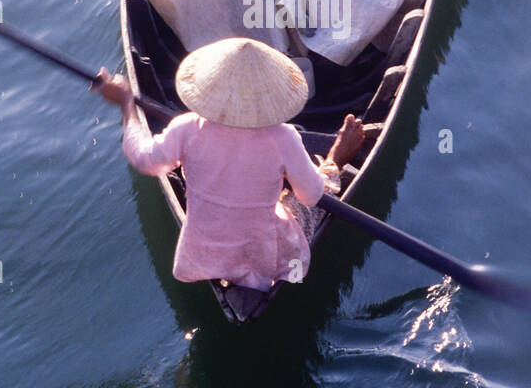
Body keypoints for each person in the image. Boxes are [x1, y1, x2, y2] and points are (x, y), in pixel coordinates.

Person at [95, 37, 365, 292]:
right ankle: (334, 160)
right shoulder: (283, 137)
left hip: (202, 255)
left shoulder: (187, 127)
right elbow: (311, 195)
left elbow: (144, 158)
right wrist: (327, 167)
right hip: (265, 256)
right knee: (315, 192)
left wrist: (127, 104)